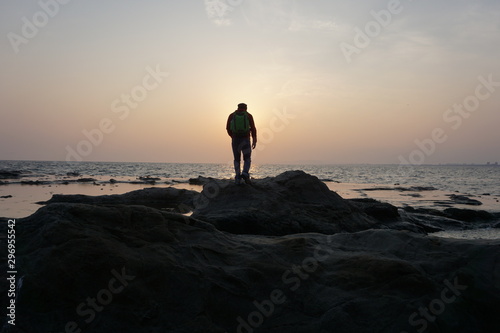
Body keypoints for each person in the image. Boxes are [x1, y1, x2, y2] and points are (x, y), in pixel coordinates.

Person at [226, 103, 257, 184]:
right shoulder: (248, 115)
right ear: (246, 108)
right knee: (247, 158)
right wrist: (254, 139)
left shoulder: (232, 115)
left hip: (235, 139)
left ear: (238, 107)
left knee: (237, 159)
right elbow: (253, 128)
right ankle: (245, 173)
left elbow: (227, 128)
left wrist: (232, 136)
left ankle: (237, 178)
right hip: (246, 139)